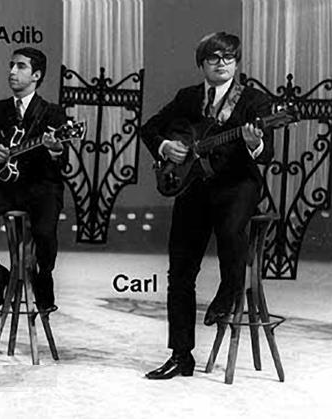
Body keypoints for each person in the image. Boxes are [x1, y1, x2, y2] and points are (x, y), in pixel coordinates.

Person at [141, 32, 274, 379]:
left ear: (237, 62)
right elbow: (149, 129)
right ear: (202, 63)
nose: (221, 63)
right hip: (193, 186)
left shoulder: (254, 101)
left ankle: (229, 290)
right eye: (214, 57)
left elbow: (267, 154)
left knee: (231, 230)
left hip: (236, 186)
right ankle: (180, 355)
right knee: (180, 271)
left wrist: (255, 143)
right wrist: (166, 147)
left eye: (228, 57)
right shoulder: (187, 97)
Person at [0, 47, 68, 310]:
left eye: (20, 66)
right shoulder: (1, 108)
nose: (12, 71)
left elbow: (61, 162)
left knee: (44, 233)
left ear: (36, 75)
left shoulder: (52, 112)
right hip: (7, 187)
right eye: (11, 66)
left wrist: (55, 148)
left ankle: (44, 277)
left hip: (42, 187)